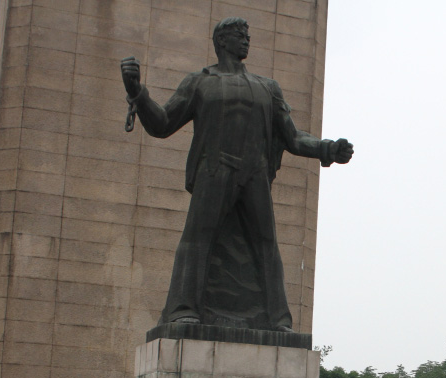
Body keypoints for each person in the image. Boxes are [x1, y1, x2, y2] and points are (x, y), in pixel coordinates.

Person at [120, 17, 353, 331]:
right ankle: (183, 309)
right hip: (215, 169)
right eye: (238, 34)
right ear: (221, 41)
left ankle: (277, 318)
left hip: (254, 172)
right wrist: (137, 92)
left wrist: (327, 149)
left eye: (247, 34)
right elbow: (162, 124)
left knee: (266, 243)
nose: (245, 39)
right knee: (197, 239)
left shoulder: (267, 87)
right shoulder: (199, 82)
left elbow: (293, 136)